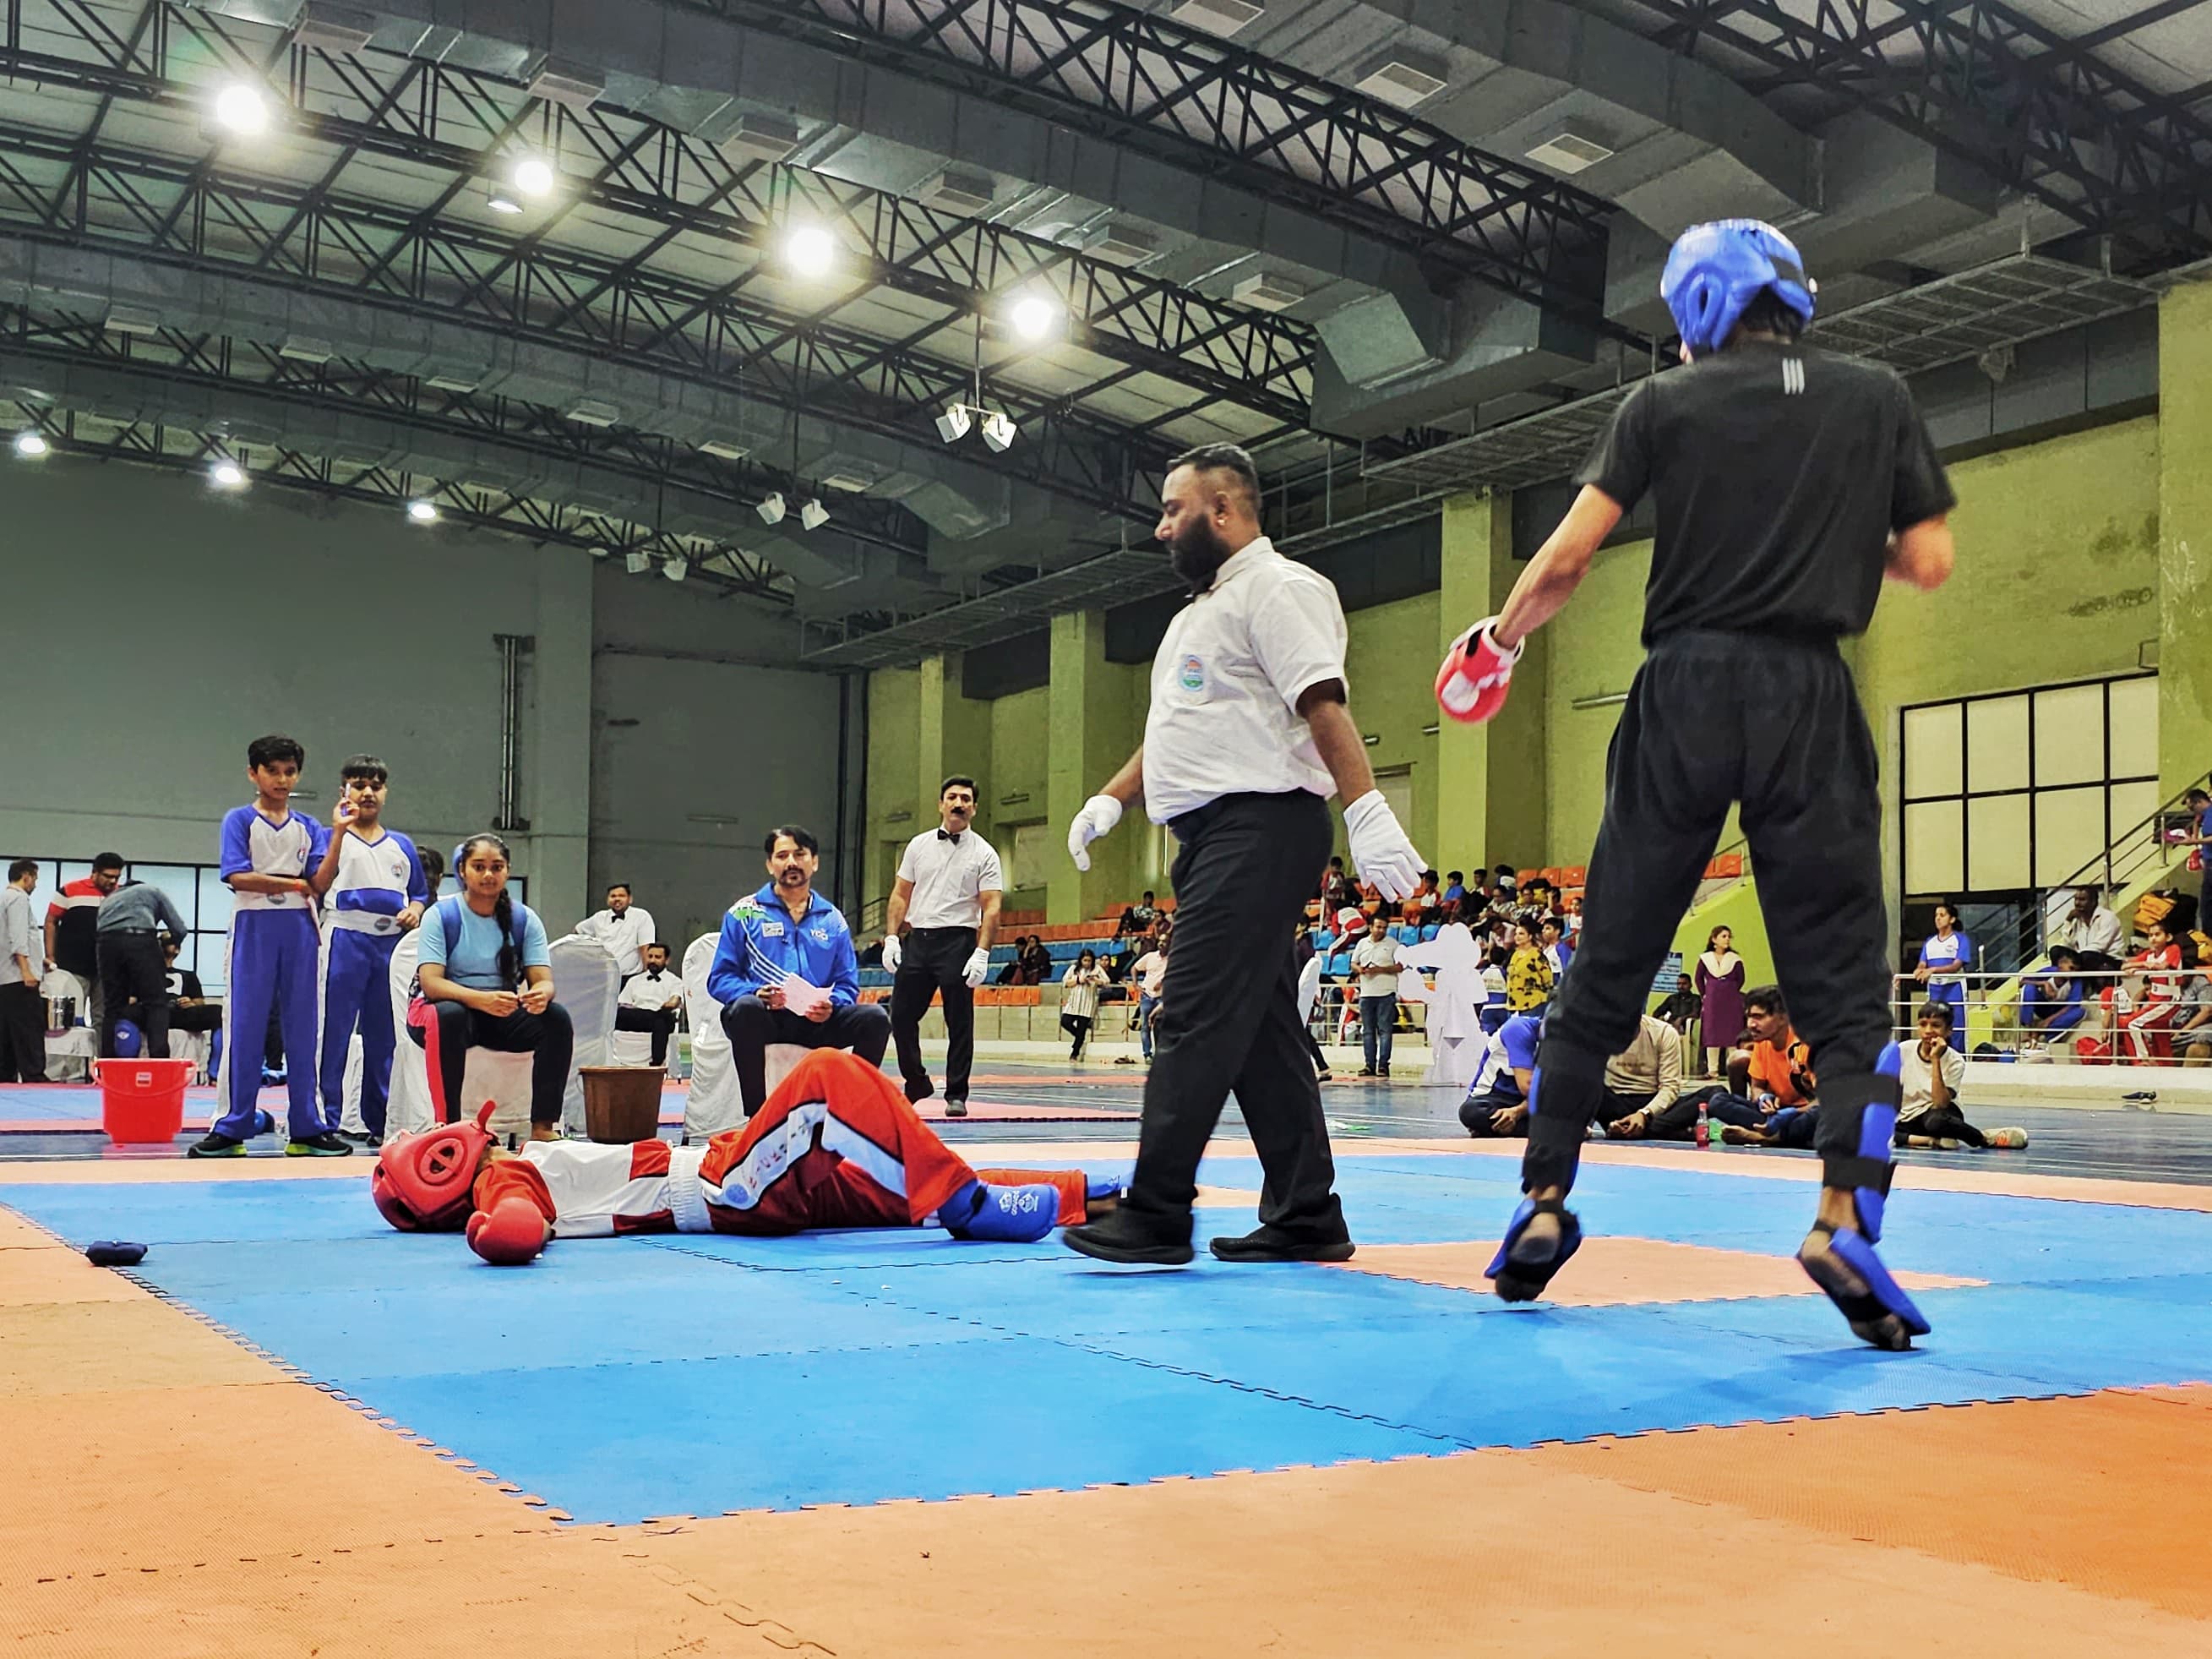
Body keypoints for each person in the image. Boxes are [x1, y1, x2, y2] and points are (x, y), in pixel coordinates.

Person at [1436, 218, 1956, 1349]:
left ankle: (1542, 1198)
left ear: (1700, 311)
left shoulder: (1660, 405)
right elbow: (1927, 561)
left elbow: (1568, 557)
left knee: (1611, 955)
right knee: (1843, 982)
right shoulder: (1875, 395)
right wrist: (1826, 541)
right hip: (1808, 690)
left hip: (1682, 685)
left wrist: (1498, 641)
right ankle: (1844, 1216)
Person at [1060, 440, 1423, 1265]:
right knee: (1261, 1030)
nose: (1162, 528)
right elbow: (1177, 736)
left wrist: (1366, 807)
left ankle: (1157, 1211)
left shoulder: (1278, 588)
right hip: (1216, 837)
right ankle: (1306, 1212)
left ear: (1223, 510)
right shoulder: (1199, 613)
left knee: (1190, 1010)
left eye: (1173, 510)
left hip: (1260, 826)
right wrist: (1109, 800)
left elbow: (1322, 702)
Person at [371, 1051, 1111, 1263]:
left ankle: (1094, 1197)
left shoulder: (513, 1167)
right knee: (826, 1077)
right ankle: (970, 1206)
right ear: (443, 1166)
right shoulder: (502, 1176)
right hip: (721, 1189)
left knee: (890, 1183)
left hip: (724, 1168)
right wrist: (492, 1230)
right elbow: (518, 1226)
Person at [195, 737, 336, 1158]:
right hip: (253, 924)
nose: (282, 779)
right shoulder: (239, 820)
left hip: (300, 927)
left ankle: (307, 1127)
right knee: (244, 1025)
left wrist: (341, 832)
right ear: (253, 773)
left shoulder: (310, 826)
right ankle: (231, 1124)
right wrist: (294, 883)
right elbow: (237, 875)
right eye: (272, 771)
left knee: (304, 1027)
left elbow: (320, 883)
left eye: (289, 772)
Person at [710, 824, 891, 1119]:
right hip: (765, 1019)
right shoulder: (744, 913)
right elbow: (720, 978)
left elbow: (847, 983)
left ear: (814, 862)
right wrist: (756, 993)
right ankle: (758, 1116)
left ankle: (849, 1112)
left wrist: (832, 1006)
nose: (791, 862)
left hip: (817, 1022)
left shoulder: (833, 920)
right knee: (744, 1009)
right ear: (770, 865)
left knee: (876, 1018)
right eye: (782, 856)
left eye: (800, 854)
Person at [408, 832, 572, 1141]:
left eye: (497, 867)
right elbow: (431, 984)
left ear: (507, 871)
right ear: (462, 871)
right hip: (439, 1013)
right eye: (479, 866)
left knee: (556, 1018)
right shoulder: (441, 916)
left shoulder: (525, 919)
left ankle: (543, 1127)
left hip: (496, 1012)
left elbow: (543, 981)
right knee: (450, 1015)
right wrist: (481, 1000)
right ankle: (449, 1127)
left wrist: (541, 995)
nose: (488, 875)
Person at [308, 756, 429, 1148]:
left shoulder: (402, 845)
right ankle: (324, 1120)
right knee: (333, 1031)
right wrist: (338, 832)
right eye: (359, 785)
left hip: (390, 946)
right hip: (345, 937)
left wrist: (415, 910)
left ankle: (381, 1121)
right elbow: (316, 884)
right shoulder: (330, 837)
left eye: (375, 786)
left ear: (385, 792)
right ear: (344, 790)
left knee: (386, 1035)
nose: (367, 793)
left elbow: (420, 893)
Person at [881, 776, 1002, 1118]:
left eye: (965, 799)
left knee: (959, 1019)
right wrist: (891, 936)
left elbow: (992, 905)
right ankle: (916, 1080)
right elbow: (900, 894)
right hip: (918, 939)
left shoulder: (985, 853)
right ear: (941, 804)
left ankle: (957, 1092)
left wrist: (982, 952)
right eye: (952, 797)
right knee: (900, 1015)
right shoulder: (918, 845)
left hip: (959, 940)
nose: (958, 803)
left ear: (974, 808)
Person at [1894, 1001, 2024, 1150]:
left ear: (1949, 1030)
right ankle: (1930, 1141)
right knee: (1876, 1126)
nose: (1928, 1031)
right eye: (1923, 1025)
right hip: (1909, 1117)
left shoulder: (1955, 1061)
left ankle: (1984, 1138)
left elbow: (1940, 1103)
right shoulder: (1903, 1050)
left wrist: (1935, 1059)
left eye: (1936, 1025)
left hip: (1939, 1113)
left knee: (1936, 1122)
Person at [93, 876, 189, 1060]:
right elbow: (179, 928)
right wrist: (171, 944)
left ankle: (108, 1060)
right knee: (156, 1003)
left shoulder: (108, 901)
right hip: (141, 941)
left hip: (106, 945)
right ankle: (159, 1060)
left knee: (112, 1006)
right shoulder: (151, 891)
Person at [45, 851, 123, 1018]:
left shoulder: (121, 895)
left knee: (103, 1016)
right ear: (94, 872)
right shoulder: (69, 890)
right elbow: (51, 922)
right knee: (71, 1015)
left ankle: (101, 1039)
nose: (112, 881)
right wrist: (50, 956)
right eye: (108, 876)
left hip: (106, 967)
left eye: (116, 877)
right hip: (73, 966)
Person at [1458, 1010, 1542, 1137]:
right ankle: (1547, 1130)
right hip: (1497, 1097)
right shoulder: (1517, 1028)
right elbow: (1528, 1087)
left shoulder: (1568, 1041)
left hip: (1535, 1102)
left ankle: (1509, 1129)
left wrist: (1518, 1111)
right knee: (1471, 1112)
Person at [0, 859, 42, 1084]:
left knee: (7, 1032)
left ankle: (5, 1076)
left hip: (5, 976)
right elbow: (18, 938)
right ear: (26, 876)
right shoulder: (19, 898)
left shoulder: (3, 898)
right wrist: (27, 970)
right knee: (29, 1029)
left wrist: (40, 960)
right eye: (34, 879)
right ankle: (33, 1074)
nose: (35, 884)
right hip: (19, 976)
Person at [1912, 900, 1972, 1054]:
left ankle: (1959, 1057)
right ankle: (1933, 1056)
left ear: (1952, 919)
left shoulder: (1961, 940)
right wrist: (1919, 970)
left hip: (1954, 988)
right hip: (1934, 989)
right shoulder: (1930, 942)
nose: (1938, 918)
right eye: (1936, 915)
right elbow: (1922, 963)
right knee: (1933, 1025)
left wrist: (1933, 970)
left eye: (1942, 915)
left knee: (1957, 1027)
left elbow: (1955, 966)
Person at [615, 941, 684, 1067]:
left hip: (661, 1016)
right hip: (638, 1016)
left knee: (662, 1019)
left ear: (667, 960)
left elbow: (675, 999)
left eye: (658, 957)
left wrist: (670, 1004)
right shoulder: (634, 981)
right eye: (650, 956)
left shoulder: (674, 981)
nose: (653, 960)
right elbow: (623, 1003)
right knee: (616, 1015)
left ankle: (656, 1064)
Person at [1350, 913, 1401, 1078]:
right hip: (1366, 993)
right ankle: (1369, 1065)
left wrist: (1380, 970)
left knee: (1385, 1031)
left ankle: (1383, 1066)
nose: (1381, 930)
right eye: (1378, 927)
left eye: (1384, 928)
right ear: (1371, 927)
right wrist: (1360, 969)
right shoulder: (1362, 943)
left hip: (1386, 992)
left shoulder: (1393, 944)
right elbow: (1353, 963)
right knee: (1368, 1031)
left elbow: (1400, 966)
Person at [1693, 925, 1746, 1076]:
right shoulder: (1705, 958)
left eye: (1729, 936)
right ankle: (1712, 1070)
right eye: (1724, 936)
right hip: (1712, 1001)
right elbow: (1698, 978)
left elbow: (1741, 979)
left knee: (1732, 1033)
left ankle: (1735, 1069)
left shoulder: (1735, 959)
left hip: (1731, 1001)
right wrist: (1706, 994)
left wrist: (1729, 990)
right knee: (1712, 1034)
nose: (1727, 939)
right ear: (1714, 939)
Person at [578, 882, 657, 980]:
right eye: (613, 896)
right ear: (608, 900)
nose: (617, 899)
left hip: (630, 978)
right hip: (603, 977)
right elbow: (578, 931)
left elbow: (645, 948)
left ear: (630, 899)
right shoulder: (599, 917)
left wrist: (646, 976)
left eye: (621, 896)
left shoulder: (641, 916)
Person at [161, 936, 222, 1045]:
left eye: (168, 942)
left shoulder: (188, 976)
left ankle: (218, 1055)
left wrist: (191, 1003)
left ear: (177, 949)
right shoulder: (144, 974)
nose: (162, 945)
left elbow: (199, 1001)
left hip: (180, 1013)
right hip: (154, 1012)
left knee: (219, 1011)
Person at [1121, 930, 1169, 1066]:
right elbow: (1134, 968)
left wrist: (1163, 981)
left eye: (1165, 941)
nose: (1161, 944)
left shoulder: (1173, 960)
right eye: (1160, 941)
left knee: (1160, 1025)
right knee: (1145, 1026)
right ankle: (1147, 1054)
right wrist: (1135, 984)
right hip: (1147, 995)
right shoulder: (1150, 956)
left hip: (1162, 997)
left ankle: (1161, 1053)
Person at [2017, 947, 2084, 1044]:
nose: (2073, 973)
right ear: (2061, 964)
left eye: (2076, 970)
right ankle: (2027, 1029)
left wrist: (2049, 1020)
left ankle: (2046, 1033)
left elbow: (2072, 1005)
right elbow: (2022, 981)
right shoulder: (2049, 971)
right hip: (2043, 1007)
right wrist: (2044, 983)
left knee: (2080, 1011)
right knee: (2029, 988)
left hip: (2059, 1012)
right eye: (2071, 968)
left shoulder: (2076, 981)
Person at [2053, 886, 2125, 973]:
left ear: (2093, 902)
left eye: (2082, 900)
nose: (2077, 903)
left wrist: (2076, 958)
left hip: (2109, 959)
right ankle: (2063, 978)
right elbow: (2069, 944)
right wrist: (2068, 921)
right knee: (2056, 951)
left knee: (2087, 956)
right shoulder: (2077, 919)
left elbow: (2100, 946)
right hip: (2083, 957)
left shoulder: (2108, 917)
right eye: (2076, 899)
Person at [1060, 949, 1108, 1061]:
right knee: (1065, 1022)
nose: (1087, 963)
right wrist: (1078, 980)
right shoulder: (1074, 968)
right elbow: (1065, 982)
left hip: (1088, 1004)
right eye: (1085, 960)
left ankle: (1074, 1054)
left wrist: (1096, 980)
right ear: (1081, 960)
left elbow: (1106, 981)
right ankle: (1079, 1037)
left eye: (1089, 961)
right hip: (1073, 1002)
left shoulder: (1097, 969)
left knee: (1082, 1029)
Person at [1503, 920, 1551, 1013]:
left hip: (1533, 1004)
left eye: (1521, 934)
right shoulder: (1515, 955)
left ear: (1530, 936)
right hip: (1514, 1005)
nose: (1517, 936)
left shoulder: (1537, 954)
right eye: (1516, 934)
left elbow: (1548, 979)